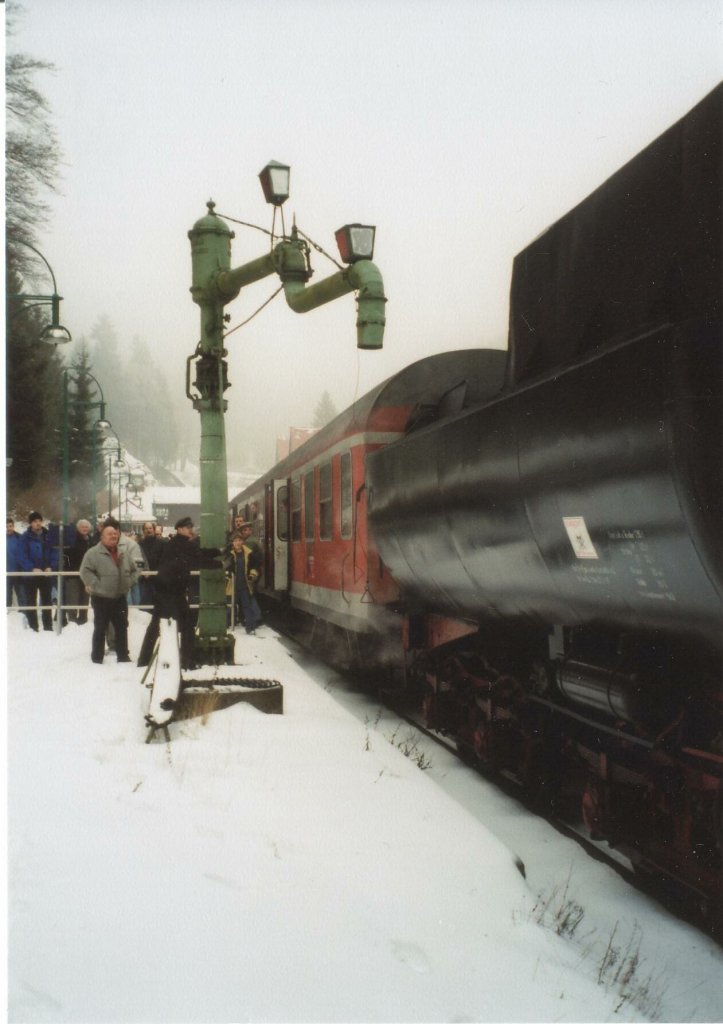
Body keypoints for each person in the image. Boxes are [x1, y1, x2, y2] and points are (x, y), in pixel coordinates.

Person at [137, 516, 199, 670]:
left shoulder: (176, 543)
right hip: (171, 592)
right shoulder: (181, 544)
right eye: (188, 527)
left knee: (157, 626)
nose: (191, 529)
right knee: (186, 626)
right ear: (179, 529)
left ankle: (144, 660)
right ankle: (187, 661)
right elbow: (198, 557)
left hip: (167, 590)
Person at [79, 520, 138, 664]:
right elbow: (84, 571)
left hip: (119, 597)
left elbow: (135, 570)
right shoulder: (92, 553)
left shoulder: (123, 553)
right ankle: (97, 658)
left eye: (115, 534)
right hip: (101, 598)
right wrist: (96, 585)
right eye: (110, 534)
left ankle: (123, 656)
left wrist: (129, 582)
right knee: (100, 627)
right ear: (102, 537)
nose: (113, 536)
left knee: (122, 626)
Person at [17, 511, 58, 632]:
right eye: (35, 521)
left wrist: (51, 566)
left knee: (46, 600)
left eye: (39, 521)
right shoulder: (25, 537)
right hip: (31, 575)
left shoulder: (48, 536)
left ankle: (48, 626)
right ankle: (33, 627)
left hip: (45, 573)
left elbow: (55, 552)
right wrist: (31, 568)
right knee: (31, 601)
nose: (38, 523)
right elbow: (21, 555)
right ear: (30, 523)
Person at [225, 526, 262, 634]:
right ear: (232, 542)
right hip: (232, 585)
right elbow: (226, 566)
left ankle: (250, 627)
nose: (237, 543)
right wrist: (227, 575)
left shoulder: (249, 554)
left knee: (247, 606)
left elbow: (254, 567)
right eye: (235, 541)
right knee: (229, 606)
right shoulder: (230, 554)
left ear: (242, 542)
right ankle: (227, 625)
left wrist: (252, 575)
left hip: (245, 585)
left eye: (239, 540)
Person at [64, 518, 94, 624]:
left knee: (85, 598)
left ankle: (83, 619)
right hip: (74, 573)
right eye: (82, 527)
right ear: (77, 527)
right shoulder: (72, 539)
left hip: (86, 574)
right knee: (73, 597)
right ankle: (72, 621)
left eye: (86, 527)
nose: (85, 529)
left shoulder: (90, 540)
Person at [138, 520, 166, 610]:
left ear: (154, 530)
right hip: (144, 579)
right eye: (146, 528)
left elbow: (164, 559)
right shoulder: (139, 544)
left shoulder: (162, 543)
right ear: (143, 531)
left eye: (150, 528)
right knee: (144, 607)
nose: (148, 530)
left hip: (157, 578)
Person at [6, 517, 27, 620]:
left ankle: (23, 615)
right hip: (5, 573)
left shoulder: (19, 538)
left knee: (21, 593)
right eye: (6, 527)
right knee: (6, 595)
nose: (8, 528)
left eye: (10, 526)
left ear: (13, 526)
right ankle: (7, 616)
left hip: (18, 571)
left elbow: (25, 553)